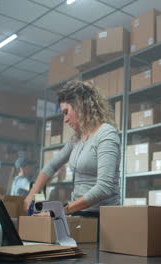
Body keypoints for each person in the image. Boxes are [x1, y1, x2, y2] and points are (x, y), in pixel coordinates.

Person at [24, 80, 121, 217]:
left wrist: (61, 211)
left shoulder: (106, 134)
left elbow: (104, 188)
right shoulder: (76, 139)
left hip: (102, 217)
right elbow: (51, 166)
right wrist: (32, 194)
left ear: (80, 106)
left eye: (66, 112)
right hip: (78, 212)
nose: (65, 120)